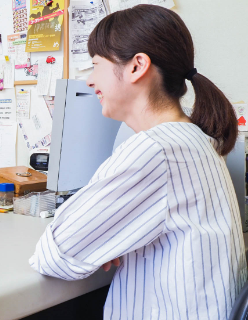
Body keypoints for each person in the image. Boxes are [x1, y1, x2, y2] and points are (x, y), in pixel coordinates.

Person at [30, 5, 247, 320]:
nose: (90, 81)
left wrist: (97, 241)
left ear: (136, 66)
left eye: (95, 65)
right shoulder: (195, 140)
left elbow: (55, 253)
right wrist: (107, 239)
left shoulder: (155, 150)